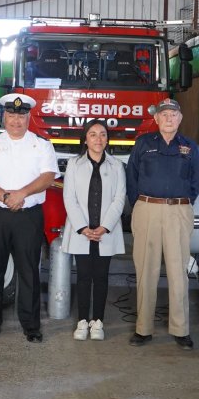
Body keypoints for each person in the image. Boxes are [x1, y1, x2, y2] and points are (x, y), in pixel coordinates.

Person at [0, 93, 57, 343]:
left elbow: (48, 177)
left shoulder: (42, 145)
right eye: (11, 115)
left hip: (28, 216)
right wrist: (6, 196)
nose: (16, 121)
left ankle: (31, 326)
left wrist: (22, 194)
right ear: (4, 117)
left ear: (29, 117)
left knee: (29, 271)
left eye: (21, 116)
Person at [125, 98, 199, 350]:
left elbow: (194, 182)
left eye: (173, 115)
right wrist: (141, 204)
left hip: (178, 211)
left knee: (179, 272)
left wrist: (182, 202)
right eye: (164, 114)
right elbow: (131, 178)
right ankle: (143, 328)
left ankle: (180, 329)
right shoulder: (143, 143)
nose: (169, 118)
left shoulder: (189, 146)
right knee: (146, 270)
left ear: (180, 119)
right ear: (156, 118)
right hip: (147, 209)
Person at [61, 119, 126, 341]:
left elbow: (119, 199)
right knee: (83, 276)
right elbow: (69, 198)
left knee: (101, 277)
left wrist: (104, 227)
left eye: (103, 134)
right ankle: (82, 321)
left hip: (104, 232)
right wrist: (82, 227)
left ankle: (98, 321)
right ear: (85, 139)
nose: (98, 139)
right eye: (93, 134)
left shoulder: (117, 166)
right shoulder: (74, 164)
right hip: (83, 232)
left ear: (108, 139)